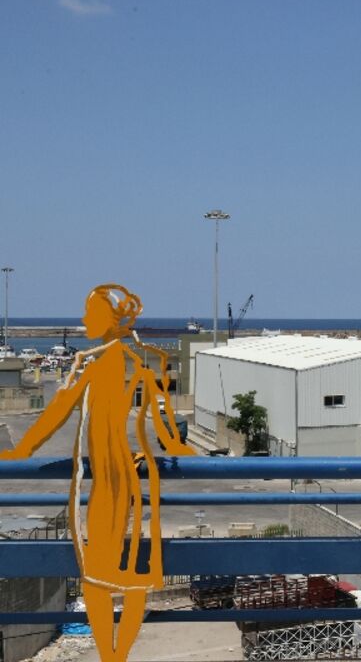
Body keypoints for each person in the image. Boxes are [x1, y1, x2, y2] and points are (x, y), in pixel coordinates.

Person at [0, 284, 195, 662]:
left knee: (97, 579)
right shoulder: (133, 364)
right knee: (131, 578)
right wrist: (181, 451)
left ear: (108, 319)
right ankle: (115, 655)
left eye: (90, 314)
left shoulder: (100, 366)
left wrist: (22, 451)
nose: (83, 319)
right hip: (128, 484)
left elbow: (57, 415)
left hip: (109, 485)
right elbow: (166, 429)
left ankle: (111, 655)